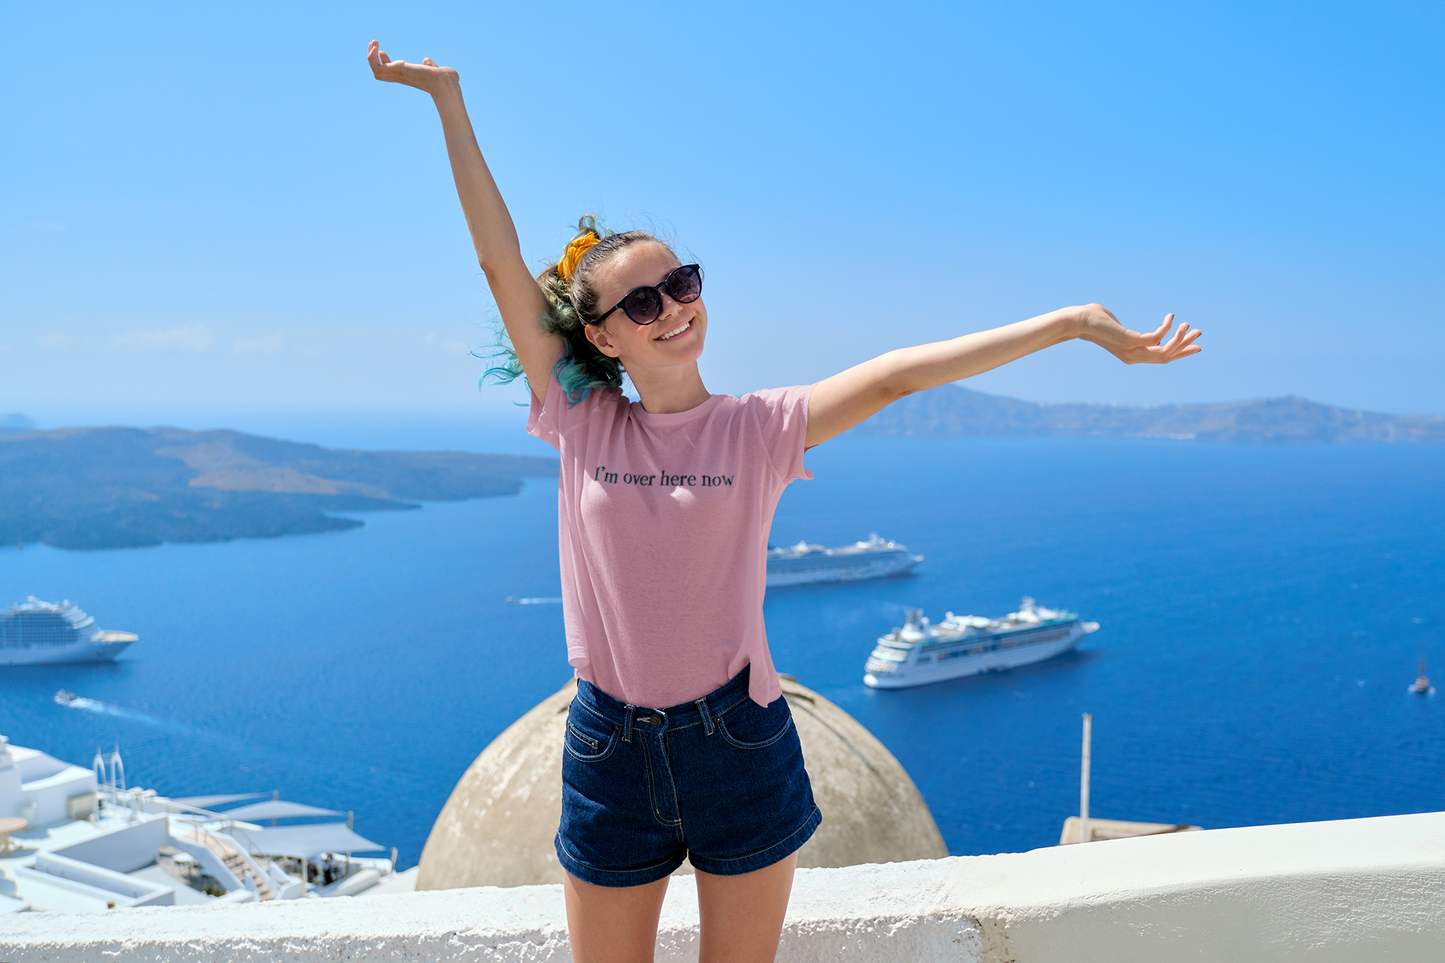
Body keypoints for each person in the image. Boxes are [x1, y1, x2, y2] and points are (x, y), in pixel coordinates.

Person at [367, 40, 1201, 963]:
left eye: (681, 284)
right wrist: (446, 99)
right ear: (600, 337)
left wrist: (1071, 325)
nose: (672, 307)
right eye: (640, 303)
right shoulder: (581, 417)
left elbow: (893, 377)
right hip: (609, 750)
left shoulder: (757, 429)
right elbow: (497, 261)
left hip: (739, 742)